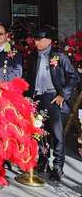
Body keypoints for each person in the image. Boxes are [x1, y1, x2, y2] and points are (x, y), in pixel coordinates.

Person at [26, 28, 79, 182]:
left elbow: (74, 77)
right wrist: (29, 97)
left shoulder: (59, 56)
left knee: (57, 135)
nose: (36, 43)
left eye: (40, 40)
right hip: (38, 98)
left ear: (49, 41)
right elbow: (30, 78)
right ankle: (43, 163)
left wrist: (63, 95)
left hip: (54, 98)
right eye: (35, 40)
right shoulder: (33, 57)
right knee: (40, 133)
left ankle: (57, 168)